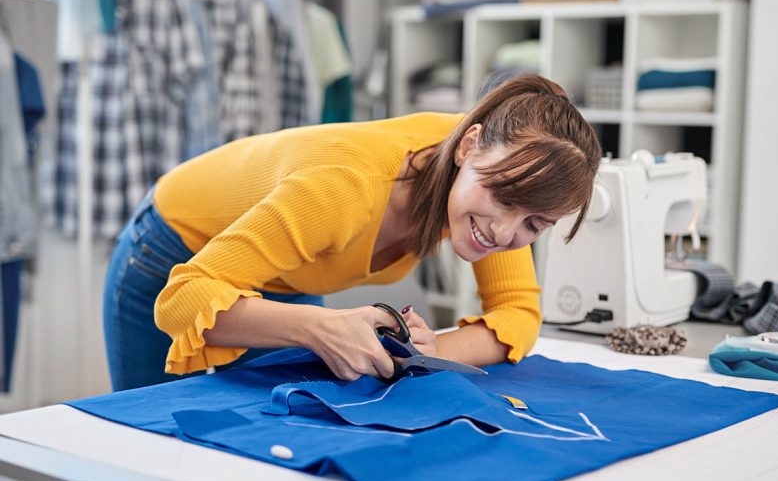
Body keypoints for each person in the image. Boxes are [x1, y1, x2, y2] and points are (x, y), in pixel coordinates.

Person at [102, 72, 602, 391]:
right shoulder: (347, 188)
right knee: (156, 454)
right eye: (505, 198)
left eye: (535, 224)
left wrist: (434, 351)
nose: (505, 231)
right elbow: (183, 298)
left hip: (286, 274)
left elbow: (518, 313)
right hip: (172, 252)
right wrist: (318, 326)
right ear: (468, 147)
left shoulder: (502, 171)